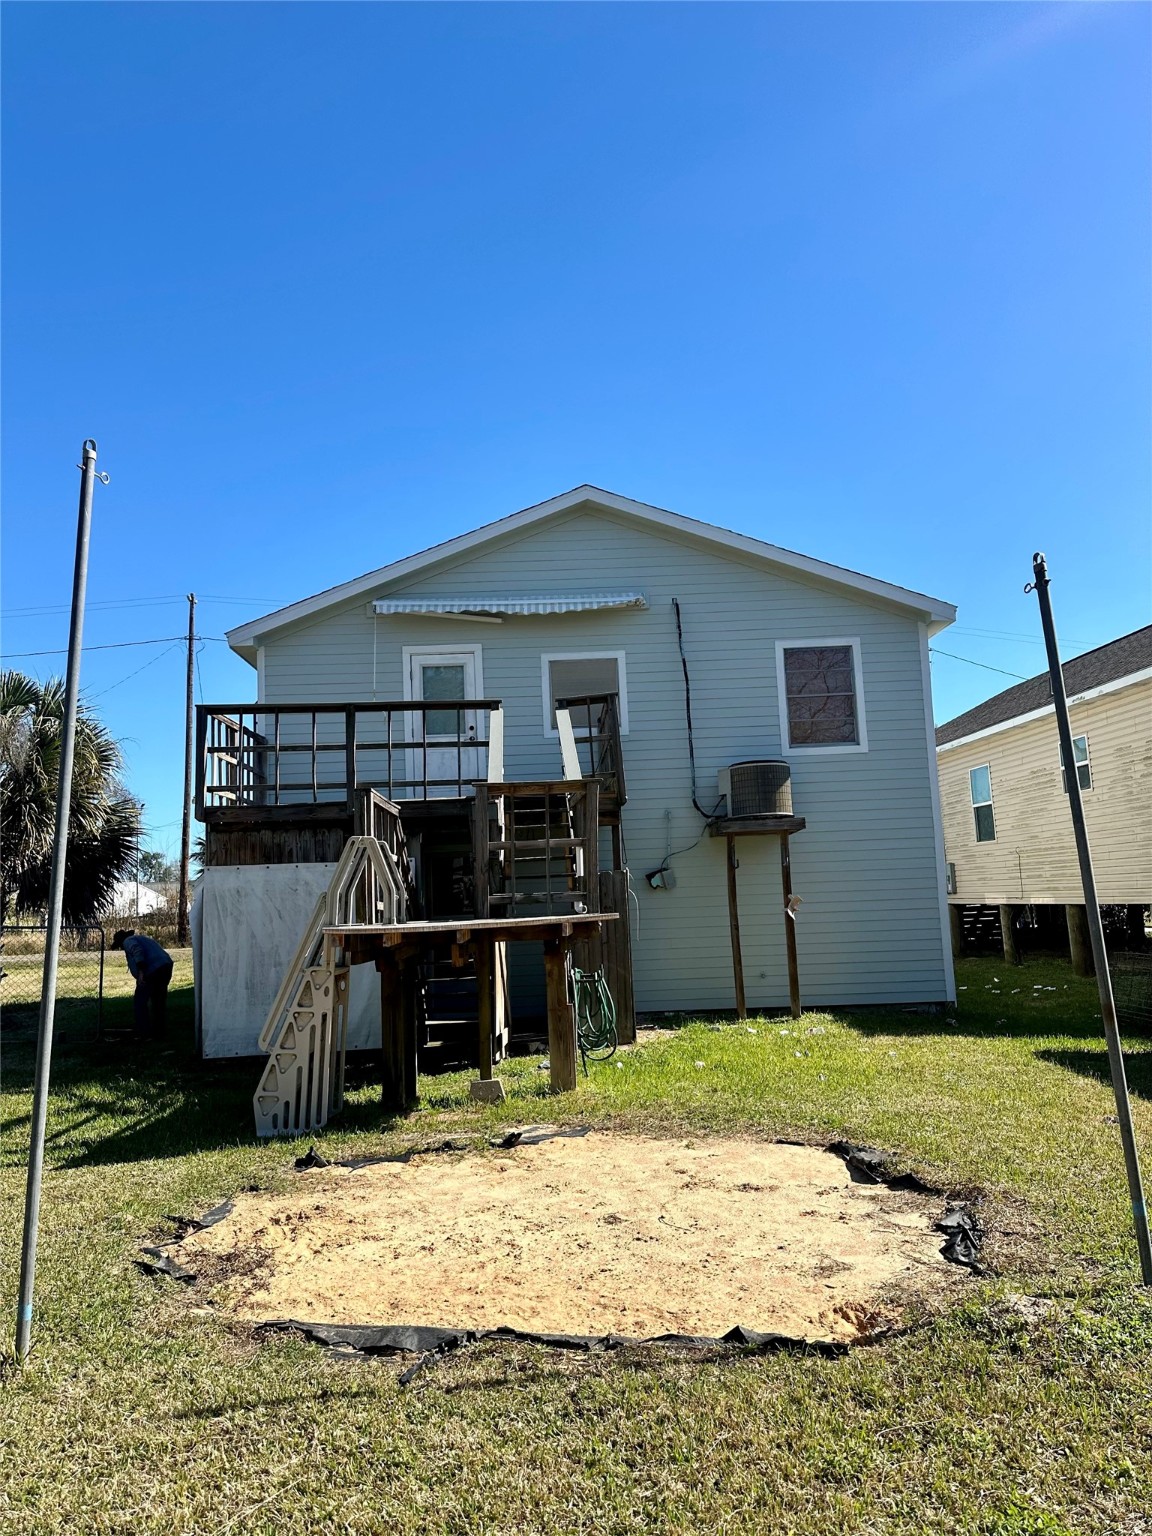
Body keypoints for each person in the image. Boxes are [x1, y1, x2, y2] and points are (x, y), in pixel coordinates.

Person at [112, 929, 174, 1037]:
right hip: (165, 965)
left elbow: (137, 950)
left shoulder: (128, 941)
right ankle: (159, 1030)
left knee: (140, 1001)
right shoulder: (141, 938)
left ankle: (143, 1031)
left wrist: (141, 971)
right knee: (158, 999)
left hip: (152, 969)